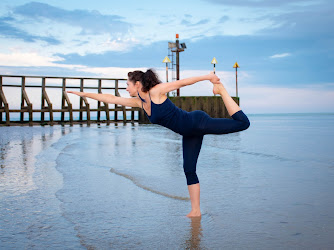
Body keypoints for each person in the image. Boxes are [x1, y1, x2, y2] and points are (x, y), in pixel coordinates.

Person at [67, 68, 250, 218]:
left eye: (127, 85)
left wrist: (208, 77)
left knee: (243, 123)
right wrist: (83, 94)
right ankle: (196, 211)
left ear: (137, 84)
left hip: (197, 122)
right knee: (188, 169)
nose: (126, 89)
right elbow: (112, 99)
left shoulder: (156, 92)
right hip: (189, 133)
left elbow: (182, 83)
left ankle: (222, 91)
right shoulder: (140, 102)